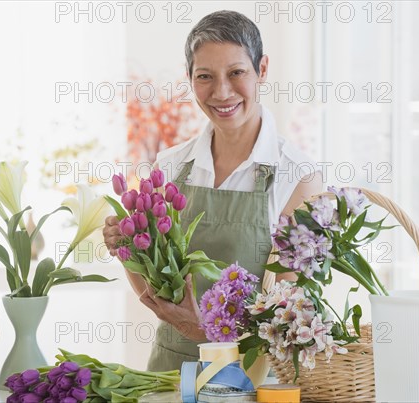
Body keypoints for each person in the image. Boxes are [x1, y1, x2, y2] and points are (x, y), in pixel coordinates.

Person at [103, 10, 322, 371]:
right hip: (170, 375)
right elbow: (153, 288)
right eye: (205, 76)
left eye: (236, 73)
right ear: (189, 78)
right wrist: (125, 246)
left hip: (251, 378)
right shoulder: (170, 166)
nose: (221, 92)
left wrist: (204, 331)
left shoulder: (297, 177)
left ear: (262, 70)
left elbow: (290, 318)